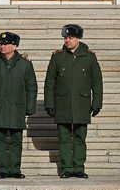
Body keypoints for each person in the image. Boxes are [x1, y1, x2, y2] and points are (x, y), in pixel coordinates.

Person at [44, 24, 103, 179]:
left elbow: (97, 82)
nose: (67, 40)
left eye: (70, 38)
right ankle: (67, 168)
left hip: (81, 104)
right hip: (62, 103)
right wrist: (49, 104)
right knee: (64, 138)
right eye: (65, 38)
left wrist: (97, 103)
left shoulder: (89, 57)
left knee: (79, 138)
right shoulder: (57, 57)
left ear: (78, 39)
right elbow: (50, 82)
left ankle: (79, 168)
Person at [0, 31, 37, 179]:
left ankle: (15, 169)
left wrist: (30, 107)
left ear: (15, 46)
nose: (2, 46)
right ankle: (3, 169)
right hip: (0, 108)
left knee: (17, 140)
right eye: (1, 43)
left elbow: (31, 87)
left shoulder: (25, 65)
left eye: (5, 44)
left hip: (18, 107)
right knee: (0, 140)